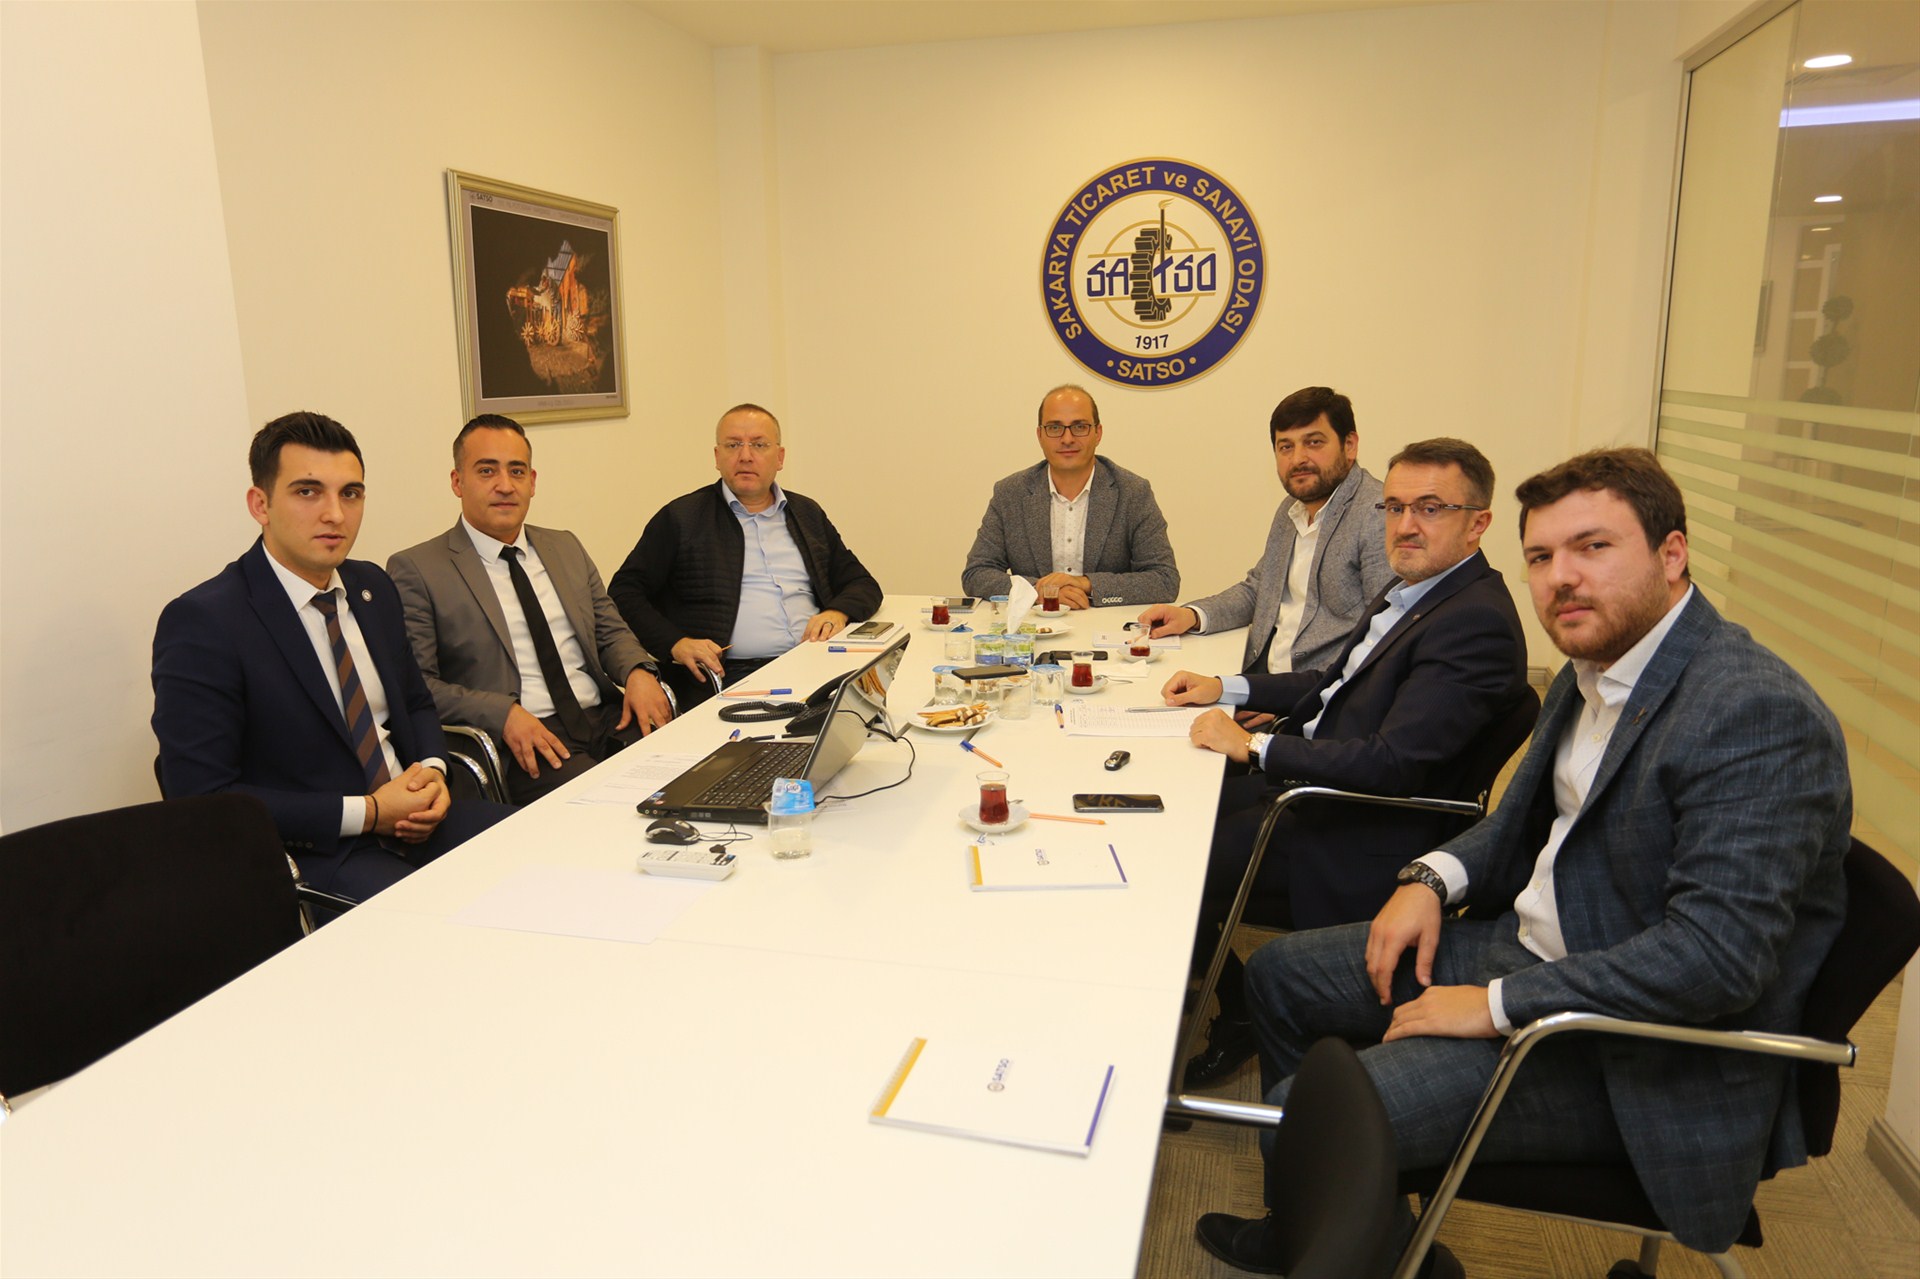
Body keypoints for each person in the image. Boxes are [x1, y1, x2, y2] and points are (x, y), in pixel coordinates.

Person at [1196, 448, 1851, 1274]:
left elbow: (1714, 962)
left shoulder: (1753, 711)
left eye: (1593, 547)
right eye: (1541, 556)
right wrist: (1430, 878)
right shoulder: (1599, 663)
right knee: (1279, 976)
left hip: (1635, 1048)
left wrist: (1497, 1004)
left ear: (1672, 554)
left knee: (1311, 1113)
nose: (1560, 578)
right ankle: (1350, 1233)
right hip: (1541, 946)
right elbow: (1516, 825)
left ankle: (1339, 1224)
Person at [1166, 438, 1533, 1086]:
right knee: (1165, 809)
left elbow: (1391, 764)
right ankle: (1210, 982)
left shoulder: (1473, 622)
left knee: (1169, 859)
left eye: (1430, 508)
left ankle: (1237, 1007)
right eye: (1394, 507)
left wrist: (1255, 746)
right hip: (1313, 787)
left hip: (1351, 825)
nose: (1405, 524)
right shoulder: (1416, 588)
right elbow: (1331, 685)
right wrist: (1227, 687)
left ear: (1478, 523)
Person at [152, 412, 511, 901]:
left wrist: (432, 772)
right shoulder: (205, 621)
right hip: (321, 852)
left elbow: (415, 701)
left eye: (350, 493)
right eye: (308, 492)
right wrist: (370, 812)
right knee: (438, 917)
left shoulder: (372, 586)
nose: (335, 515)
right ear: (260, 504)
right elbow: (203, 798)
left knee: (543, 853)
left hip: (419, 821)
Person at [387, 415, 672, 804]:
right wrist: (502, 713)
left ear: (532, 482)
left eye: (516, 471)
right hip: (524, 740)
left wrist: (638, 671)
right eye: (486, 471)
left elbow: (610, 632)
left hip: (606, 717)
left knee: (690, 773)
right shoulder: (417, 569)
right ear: (457, 481)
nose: (505, 485)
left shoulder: (565, 547)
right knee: (614, 804)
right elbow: (418, 685)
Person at [608, 404, 882, 706]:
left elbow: (862, 584)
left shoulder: (806, 513)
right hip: (730, 676)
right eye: (733, 445)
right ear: (717, 457)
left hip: (815, 660)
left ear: (780, 457)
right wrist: (676, 643)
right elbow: (624, 592)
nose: (746, 456)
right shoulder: (682, 518)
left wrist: (837, 612)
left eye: (759, 445)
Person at [1137, 386, 1393, 691]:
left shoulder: (1379, 515)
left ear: (1349, 445)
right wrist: (1192, 616)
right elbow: (1260, 590)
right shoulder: (1291, 509)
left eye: (1313, 442)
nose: (1298, 459)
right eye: (1286, 447)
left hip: (1313, 695)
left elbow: (1383, 640)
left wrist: (1275, 702)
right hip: (1262, 677)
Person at [960, 384, 1178, 607]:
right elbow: (977, 573)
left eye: (1079, 427)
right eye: (1055, 428)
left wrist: (1086, 584)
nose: (1067, 438)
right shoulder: (1011, 493)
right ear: (1040, 435)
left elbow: (1164, 580)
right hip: (1034, 625)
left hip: (1106, 625)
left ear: (1098, 433)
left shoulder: (1133, 492)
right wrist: (1038, 592)